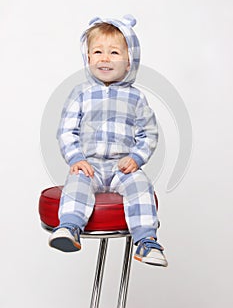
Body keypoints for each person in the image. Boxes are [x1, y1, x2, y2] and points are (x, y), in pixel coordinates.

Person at [49, 15, 168, 267]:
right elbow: (66, 130)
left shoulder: (135, 99)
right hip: (89, 164)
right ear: (88, 58)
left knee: (140, 186)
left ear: (129, 62)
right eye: (98, 52)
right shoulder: (80, 94)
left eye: (114, 52)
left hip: (121, 167)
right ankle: (69, 227)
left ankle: (146, 241)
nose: (105, 58)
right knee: (77, 183)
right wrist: (76, 158)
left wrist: (136, 158)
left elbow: (149, 133)